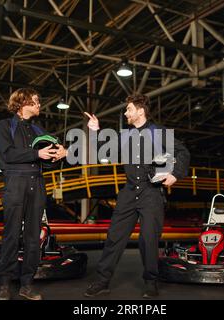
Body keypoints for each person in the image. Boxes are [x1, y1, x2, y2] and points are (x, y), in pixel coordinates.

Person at [84, 94, 190, 298]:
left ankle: (151, 282)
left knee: (148, 239)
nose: (126, 113)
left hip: (151, 193)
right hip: (129, 191)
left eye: (128, 109)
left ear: (140, 111)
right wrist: (95, 131)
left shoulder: (159, 132)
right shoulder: (125, 136)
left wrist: (175, 175)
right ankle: (102, 281)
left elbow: (183, 152)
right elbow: (105, 152)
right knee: (114, 237)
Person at [0, 88, 67, 300]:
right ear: (21, 103)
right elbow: (7, 154)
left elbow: (48, 161)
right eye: (34, 101)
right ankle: (5, 285)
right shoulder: (5, 126)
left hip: (37, 183)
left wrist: (58, 155)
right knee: (11, 235)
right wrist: (37, 153)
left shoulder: (38, 130)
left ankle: (27, 284)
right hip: (15, 183)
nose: (38, 105)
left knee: (35, 237)